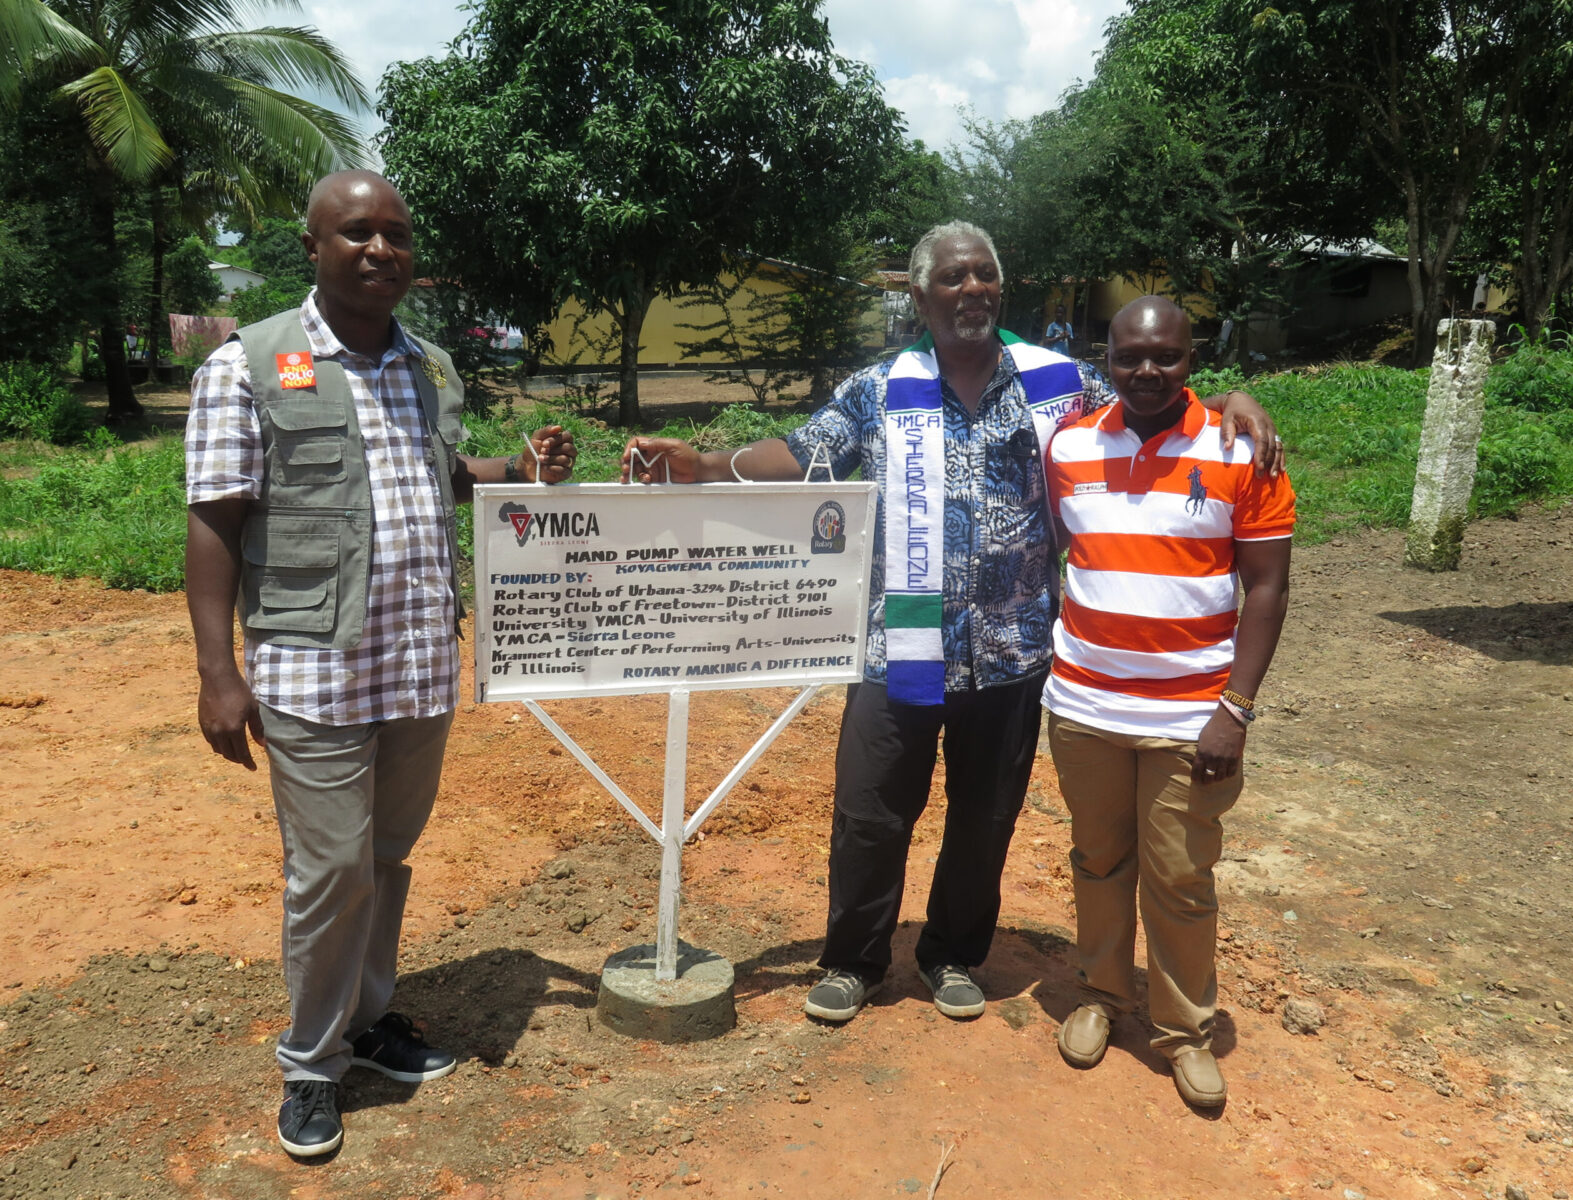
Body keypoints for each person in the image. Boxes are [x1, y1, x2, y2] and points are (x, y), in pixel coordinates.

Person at [619, 222, 1283, 1025]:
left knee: (985, 817)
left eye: (985, 277)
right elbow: (803, 452)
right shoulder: (880, 386)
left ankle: (952, 953)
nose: (973, 291)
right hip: (895, 646)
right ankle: (854, 961)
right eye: (953, 279)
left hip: (1012, 654)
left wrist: (1226, 400)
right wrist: (704, 466)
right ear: (919, 294)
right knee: (869, 811)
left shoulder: (1056, 383)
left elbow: (1150, 399)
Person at [183, 169, 574, 1159]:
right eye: (355, 232)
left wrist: (515, 473)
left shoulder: (428, 367)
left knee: (384, 863)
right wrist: (217, 672)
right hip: (311, 667)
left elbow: (443, 476)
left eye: (395, 233)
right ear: (312, 246)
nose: (378, 249)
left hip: (416, 667)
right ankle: (311, 1068)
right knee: (328, 872)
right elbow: (215, 522)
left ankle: (366, 1022)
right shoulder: (248, 366)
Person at [1044, 296, 1294, 1107]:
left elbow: (1267, 587)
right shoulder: (1070, 445)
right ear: (1105, 359)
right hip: (1083, 706)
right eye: (1129, 357)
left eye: (1167, 356)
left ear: (1195, 359)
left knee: (1182, 877)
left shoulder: (1240, 450)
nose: (1147, 371)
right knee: (1098, 860)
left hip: (1193, 716)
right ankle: (1102, 996)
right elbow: (1071, 551)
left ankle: (1184, 1029)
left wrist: (1238, 709)